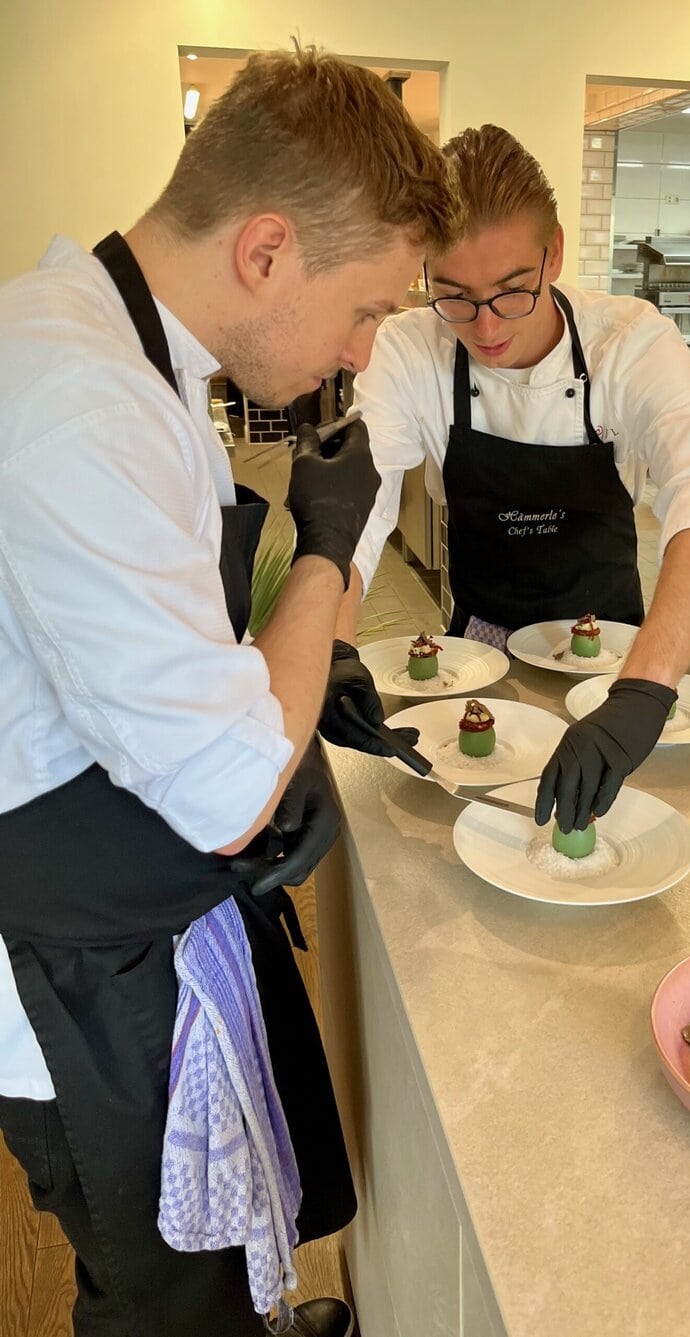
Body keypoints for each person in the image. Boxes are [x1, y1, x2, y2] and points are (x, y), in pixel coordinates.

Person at [0, 49, 460, 1337]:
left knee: (205, 1256)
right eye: (364, 310)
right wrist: (325, 552)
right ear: (266, 250)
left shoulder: (105, 345)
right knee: (157, 1292)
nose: (361, 351)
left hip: (123, 888)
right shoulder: (80, 404)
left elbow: (174, 661)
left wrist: (300, 675)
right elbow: (227, 789)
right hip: (72, 962)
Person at [338, 125, 690, 834]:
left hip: (619, 656)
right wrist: (330, 646)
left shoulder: (629, 342)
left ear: (553, 253)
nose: (485, 326)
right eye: (454, 295)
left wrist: (644, 692)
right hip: (480, 654)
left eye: (511, 291)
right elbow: (359, 500)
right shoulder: (409, 351)